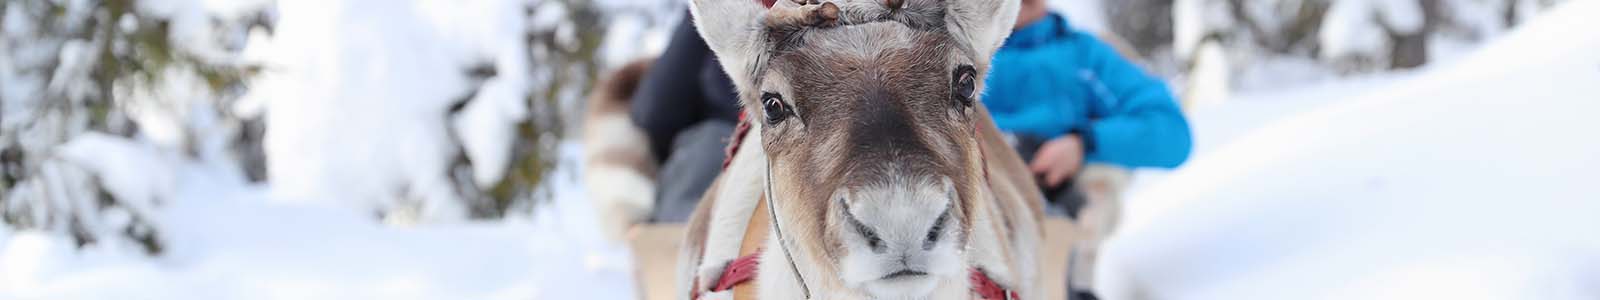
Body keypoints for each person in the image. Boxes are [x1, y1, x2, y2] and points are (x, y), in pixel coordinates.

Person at [989, 1, 1193, 299]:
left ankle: (1073, 278)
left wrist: (1082, 143)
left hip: (1065, 191)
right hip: (989, 183)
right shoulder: (959, 57)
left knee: (1093, 187)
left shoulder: (1084, 54)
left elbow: (1171, 133)